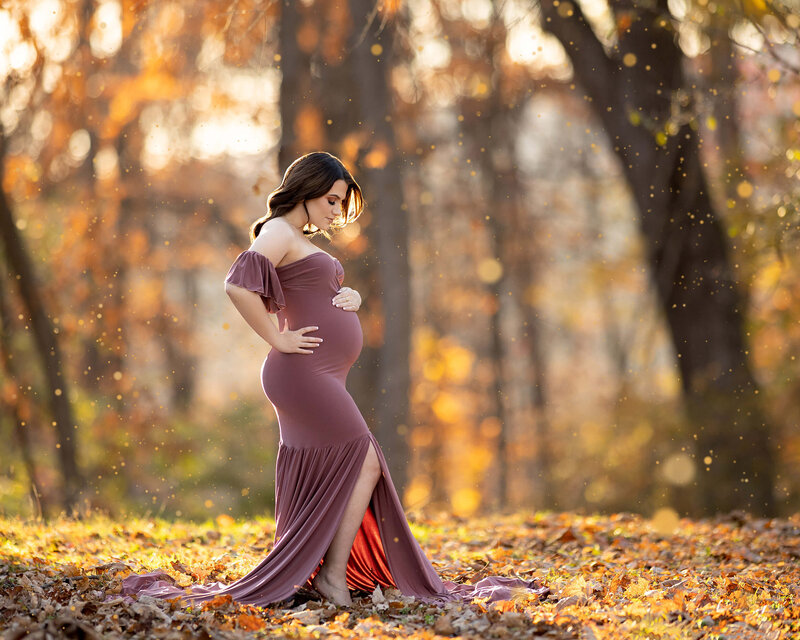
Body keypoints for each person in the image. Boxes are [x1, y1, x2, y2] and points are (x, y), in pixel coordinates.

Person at [113, 151, 549, 609]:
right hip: (303, 373)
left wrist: (349, 296)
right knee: (365, 461)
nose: (336, 211)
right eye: (332, 199)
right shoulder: (279, 229)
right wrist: (275, 340)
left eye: (341, 202)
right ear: (305, 190)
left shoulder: (295, 236)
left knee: (356, 464)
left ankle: (323, 572)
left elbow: (303, 291)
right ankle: (331, 577)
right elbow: (237, 283)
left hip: (321, 375)